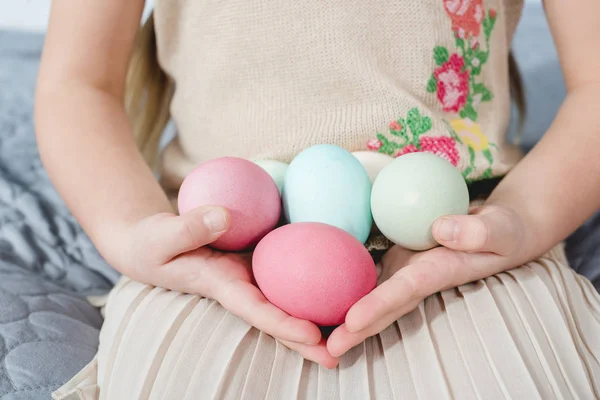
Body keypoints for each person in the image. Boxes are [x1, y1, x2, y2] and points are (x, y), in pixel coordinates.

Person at [35, 0, 600, 398]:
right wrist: (132, 229)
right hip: (220, 255)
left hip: (467, 234)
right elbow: (78, 84)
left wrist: (525, 218)